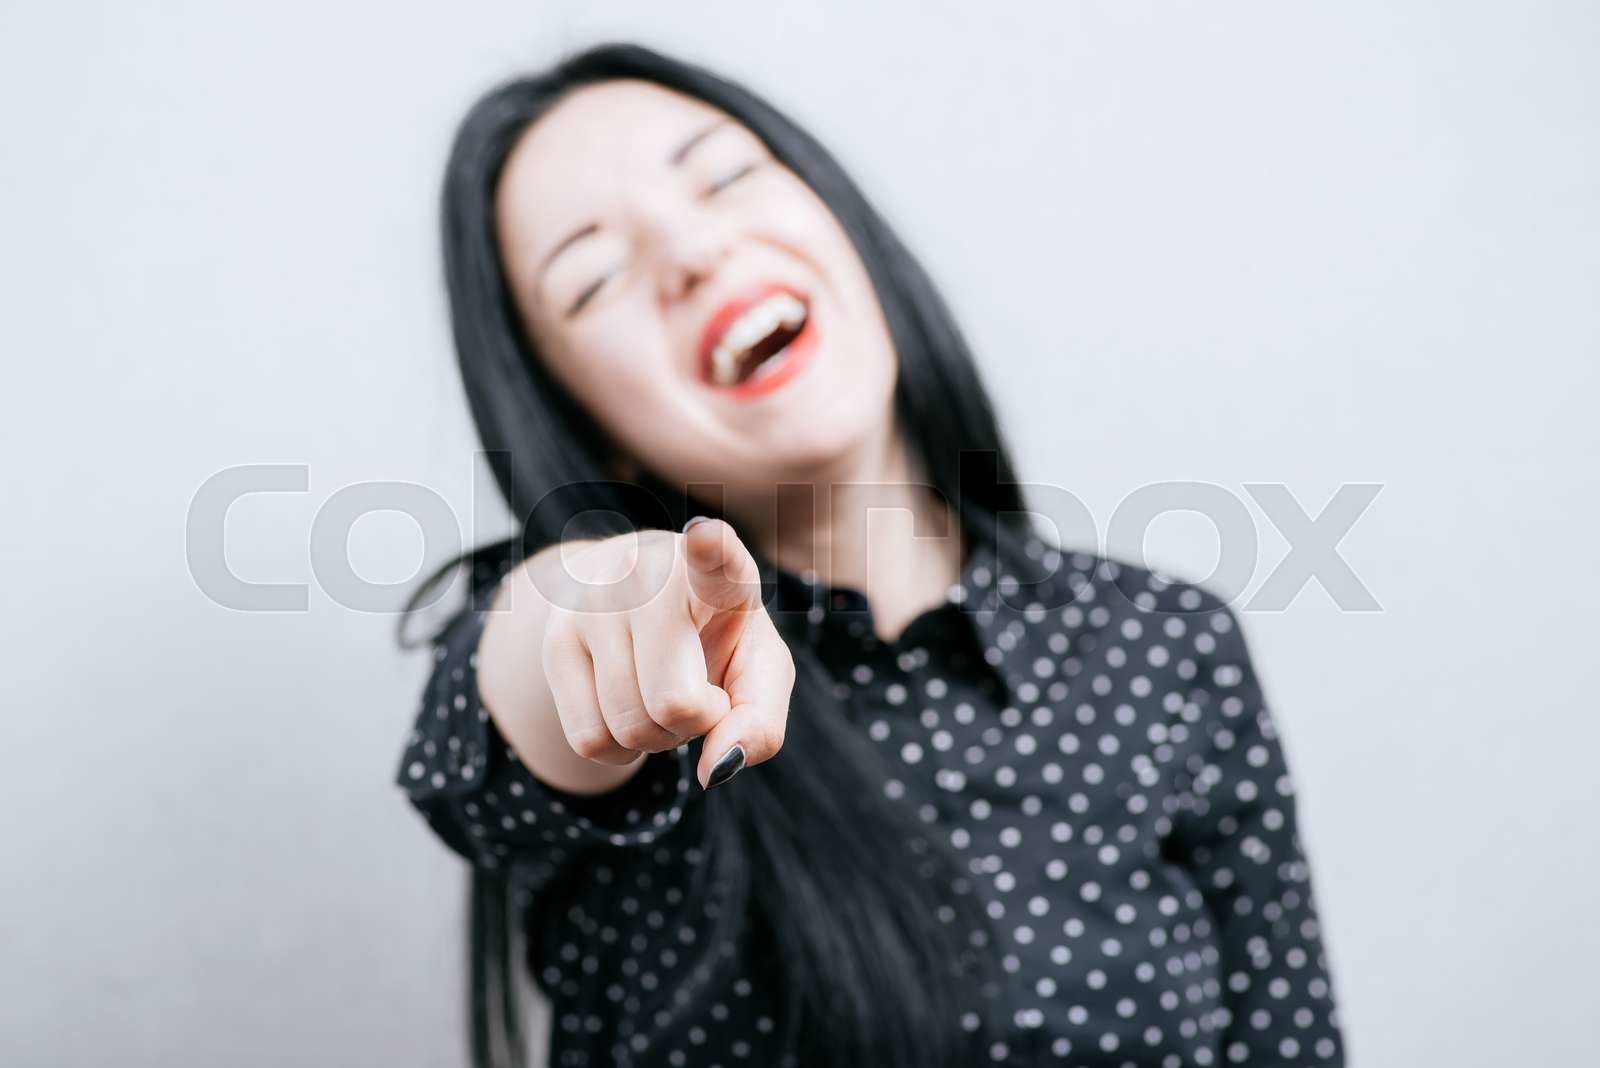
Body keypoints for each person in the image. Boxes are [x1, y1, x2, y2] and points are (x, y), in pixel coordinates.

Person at [394, 41, 1345, 1068]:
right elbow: (539, 660)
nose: (693, 254)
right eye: (594, 278)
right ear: (581, 418)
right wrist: (607, 599)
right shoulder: (621, 675)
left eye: (722, 176)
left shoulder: (1168, 647)